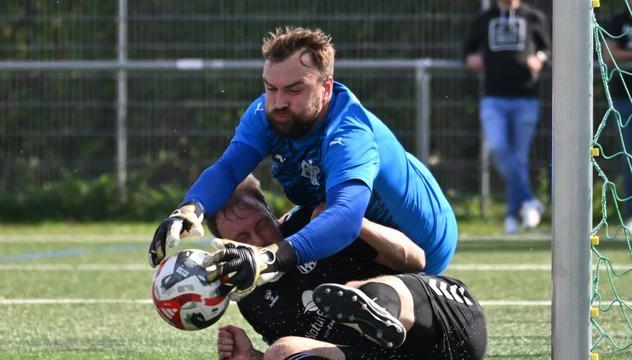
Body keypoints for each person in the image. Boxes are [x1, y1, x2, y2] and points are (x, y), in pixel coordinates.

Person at [149, 26, 458, 295]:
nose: (279, 102)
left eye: (295, 89)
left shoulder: (348, 134)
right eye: (271, 88)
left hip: (422, 244)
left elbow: (345, 217)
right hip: (343, 222)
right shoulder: (265, 112)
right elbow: (229, 169)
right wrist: (190, 208)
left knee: (310, 286)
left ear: (326, 88)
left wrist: (268, 259)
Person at [209, 176, 487, 360]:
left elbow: (415, 259)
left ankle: (379, 314)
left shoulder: (311, 222)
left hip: (449, 325)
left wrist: (354, 221)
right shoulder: (252, 299)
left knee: (358, 291)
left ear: (270, 212)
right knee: (278, 351)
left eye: (261, 225)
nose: (259, 240)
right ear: (227, 245)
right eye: (243, 238)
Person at [463, 0, 551, 234]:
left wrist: (539, 58)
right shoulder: (485, 19)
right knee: (498, 148)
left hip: (526, 98)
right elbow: (468, 51)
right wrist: (471, 59)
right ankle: (530, 200)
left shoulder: (534, 17)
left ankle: (512, 217)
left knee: (519, 159)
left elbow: (548, 49)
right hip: (494, 98)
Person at [604, 10, 632, 227]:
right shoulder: (617, 21)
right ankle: (631, 215)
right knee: (629, 156)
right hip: (624, 98)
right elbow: (608, 54)